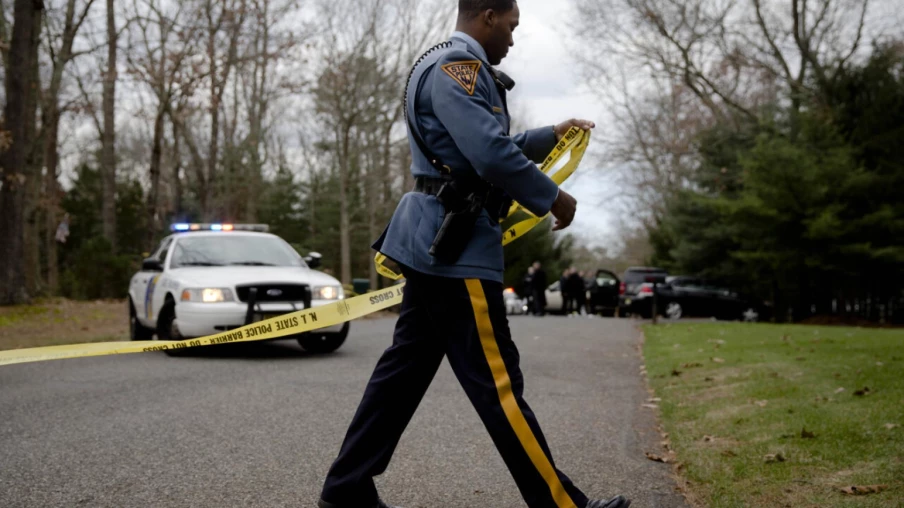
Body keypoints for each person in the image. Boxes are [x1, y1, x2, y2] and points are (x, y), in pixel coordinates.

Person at [317, 2, 631, 508]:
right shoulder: (457, 67)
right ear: (487, 15)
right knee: (499, 386)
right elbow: (488, 154)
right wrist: (554, 196)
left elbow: (481, 147)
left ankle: (346, 491)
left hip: (438, 247)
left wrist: (550, 135)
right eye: (510, 26)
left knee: (401, 377)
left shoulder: (448, 65)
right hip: (457, 250)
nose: (512, 39)